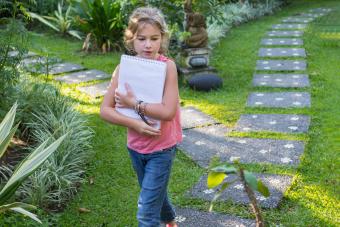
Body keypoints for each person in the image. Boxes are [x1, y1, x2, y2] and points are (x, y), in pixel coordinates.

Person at [100, 7, 182, 227]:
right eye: (142, 38)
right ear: (131, 39)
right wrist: (134, 122)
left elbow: (167, 112)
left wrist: (132, 104)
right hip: (135, 147)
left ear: (162, 39)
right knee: (154, 191)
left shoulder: (168, 67)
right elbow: (105, 110)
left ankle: (164, 220)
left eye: (154, 39)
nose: (148, 45)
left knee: (146, 213)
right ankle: (171, 221)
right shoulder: (123, 69)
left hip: (162, 148)